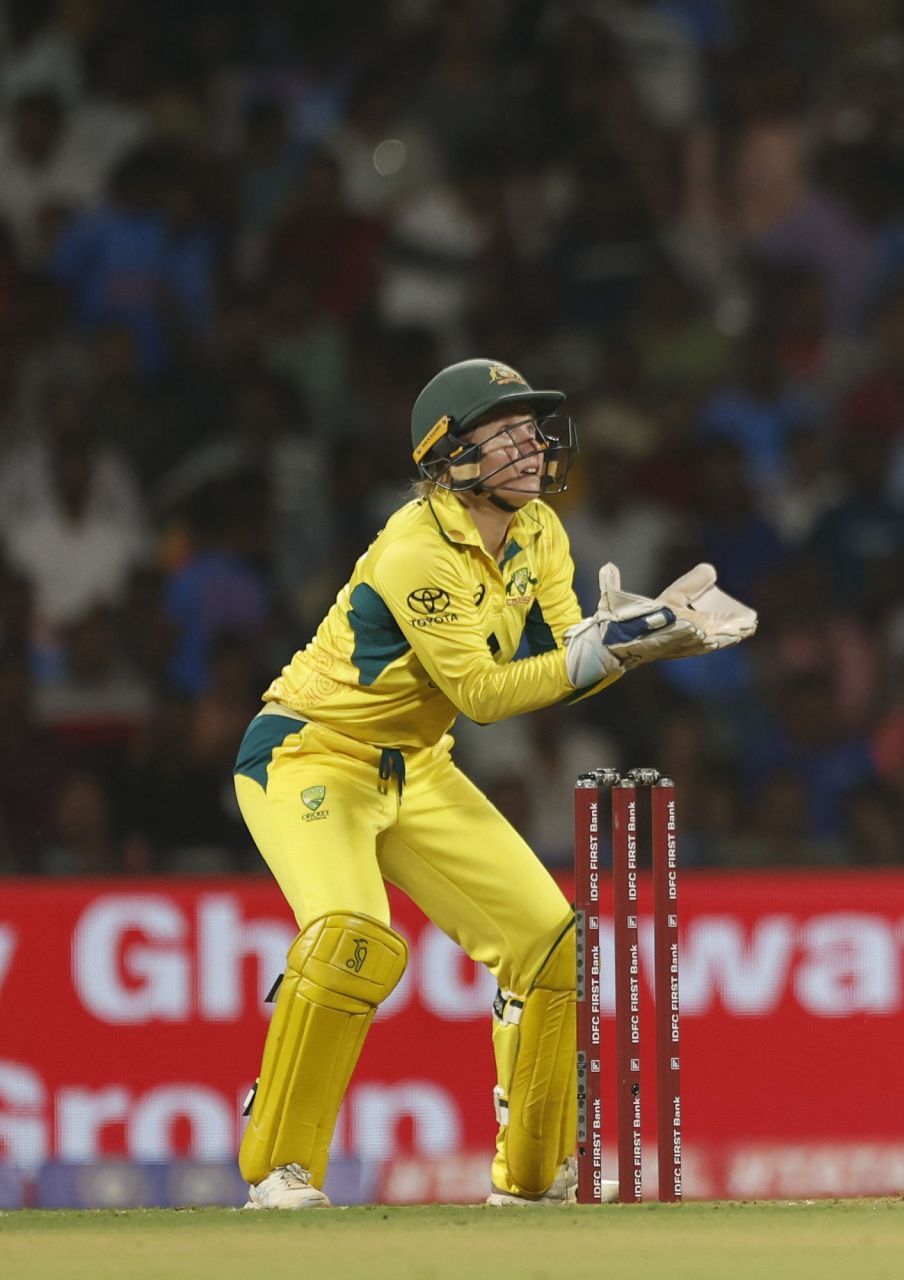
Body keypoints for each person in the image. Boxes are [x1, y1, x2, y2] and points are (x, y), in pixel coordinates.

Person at [231, 358, 756, 1209]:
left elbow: (555, 658)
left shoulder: (541, 528)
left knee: (553, 945)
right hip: (309, 753)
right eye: (505, 432)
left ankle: (534, 1171)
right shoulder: (414, 550)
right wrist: (607, 650)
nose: (530, 445)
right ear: (449, 455)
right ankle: (279, 1167)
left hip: (416, 765)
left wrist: (633, 638)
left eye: (531, 428)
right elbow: (481, 693)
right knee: (352, 937)